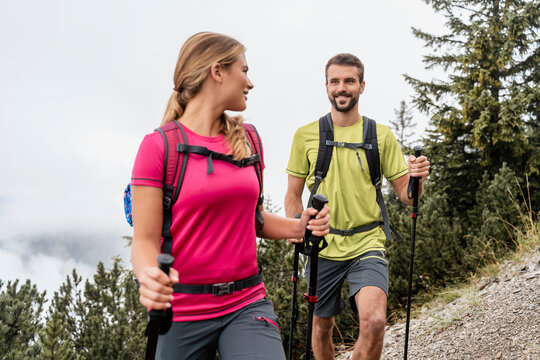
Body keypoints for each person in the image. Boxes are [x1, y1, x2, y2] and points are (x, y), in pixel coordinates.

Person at [130, 32, 330, 360]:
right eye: (245, 70)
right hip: (182, 312)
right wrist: (149, 274)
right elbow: (145, 241)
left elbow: (254, 219)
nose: (250, 83)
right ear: (217, 71)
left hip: (246, 304)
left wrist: (300, 227)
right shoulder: (159, 147)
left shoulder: (249, 139)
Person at [284, 53, 430, 360]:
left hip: (367, 243)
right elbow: (293, 194)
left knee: (375, 321)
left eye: (349, 81)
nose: (342, 88)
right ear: (326, 87)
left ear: (361, 86)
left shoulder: (381, 135)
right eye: (335, 81)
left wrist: (417, 177)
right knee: (322, 327)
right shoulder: (305, 136)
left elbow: (408, 195)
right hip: (322, 246)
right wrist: (295, 225)